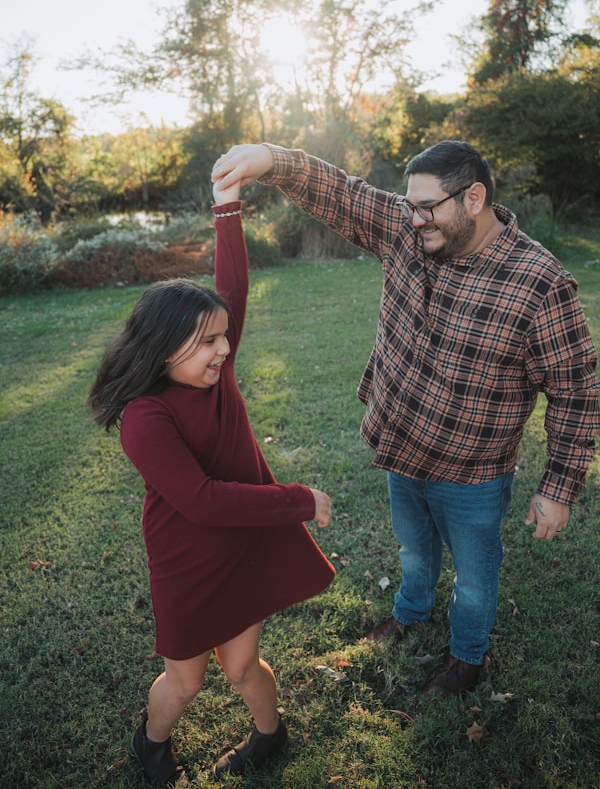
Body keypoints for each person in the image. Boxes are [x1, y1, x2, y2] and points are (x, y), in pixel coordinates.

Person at [211, 140, 600, 697]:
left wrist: (559, 488)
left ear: (474, 198)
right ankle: (410, 612)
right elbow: (341, 193)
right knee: (414, 549)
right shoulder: (408, 229)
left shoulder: (539, 282)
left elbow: (576, 389)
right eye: (409, 206)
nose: (414, 220)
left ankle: (467, 657)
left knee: (474, 577)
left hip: (475, 472)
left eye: (427, 208)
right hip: (403, 449)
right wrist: (270, 160)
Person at [88, 177, 335, 786]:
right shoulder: (146, 417)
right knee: (187, 678)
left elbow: (232, 290)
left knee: (245, 664)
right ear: (165, 348)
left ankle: (270, 735)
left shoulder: (213, 375)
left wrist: (227, 208)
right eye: (208, 342)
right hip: (188, 556)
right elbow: (199, 501)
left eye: (225, 336)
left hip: (242, 543)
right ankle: (151, 743)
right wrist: (297, 500)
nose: (225, 350)